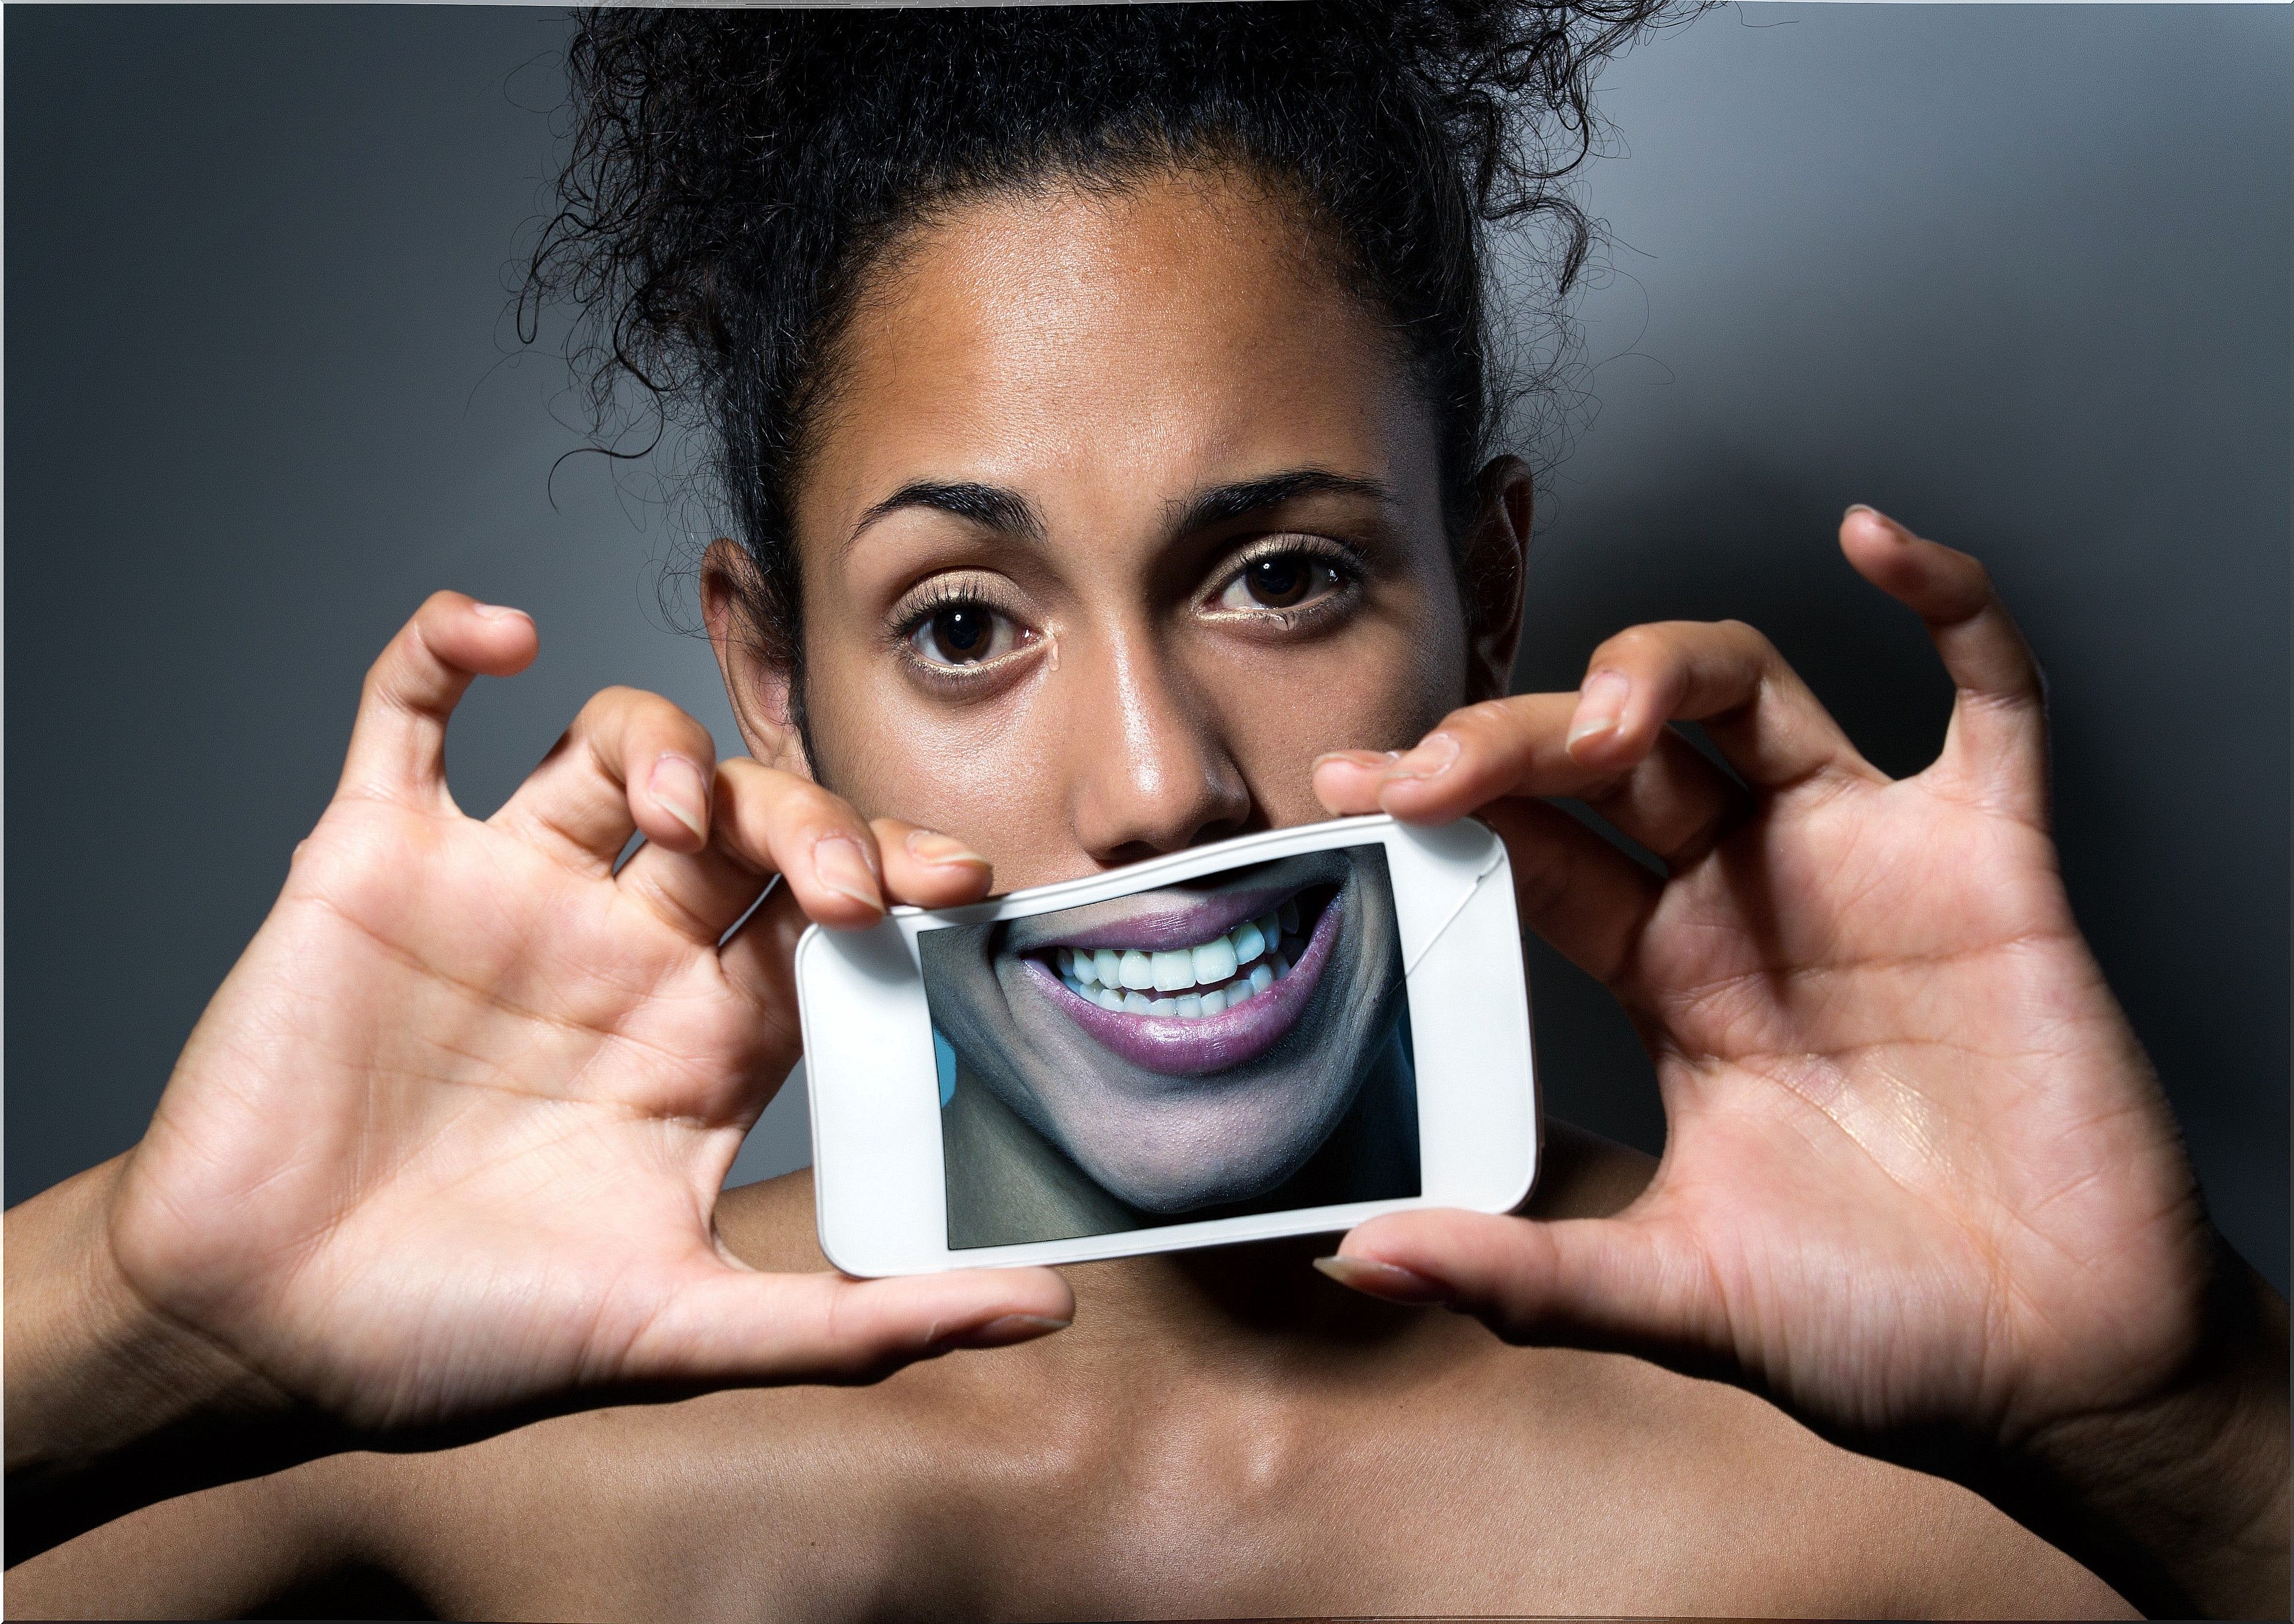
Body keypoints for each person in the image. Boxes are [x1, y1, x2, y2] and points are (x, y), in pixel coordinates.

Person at [5, 6, 2283, 1618]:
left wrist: (2190, 1436)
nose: (1154, 786)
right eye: (967, 621)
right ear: (769, 682)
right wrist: (149, 1308)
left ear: (1481, 597)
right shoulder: (475, 1431)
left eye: (1282, 576)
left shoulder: (1912, 1493)